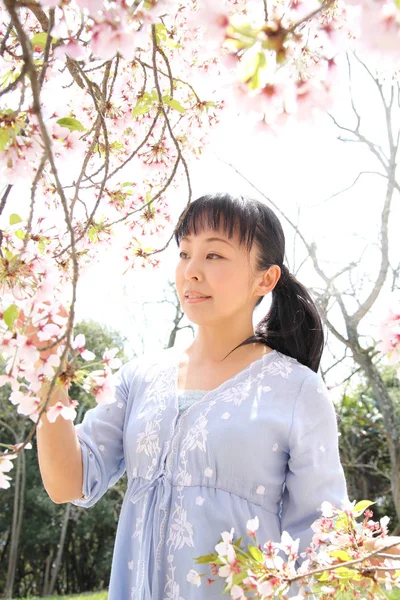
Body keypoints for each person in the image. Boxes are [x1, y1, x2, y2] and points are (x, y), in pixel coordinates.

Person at [36, 193, 394, 599]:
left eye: (214, 256)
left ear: (265, 279)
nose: (191, 271)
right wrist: (48, 375)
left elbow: (320, 536)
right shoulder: (140, 377)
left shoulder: (297, 390)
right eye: (185, 252)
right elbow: (67, 483)